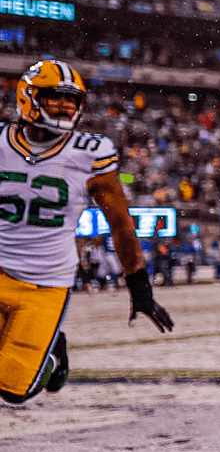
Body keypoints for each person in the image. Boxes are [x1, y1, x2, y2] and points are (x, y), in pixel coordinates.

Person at [0, 60, 172, 405]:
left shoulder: (90, 154)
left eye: (72, 100)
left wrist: (140, 289)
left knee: (14, 388)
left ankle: (53, 351)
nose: (65, 106)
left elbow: (121, 225)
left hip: (46, 283)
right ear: (27, 97)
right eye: (54, 98)